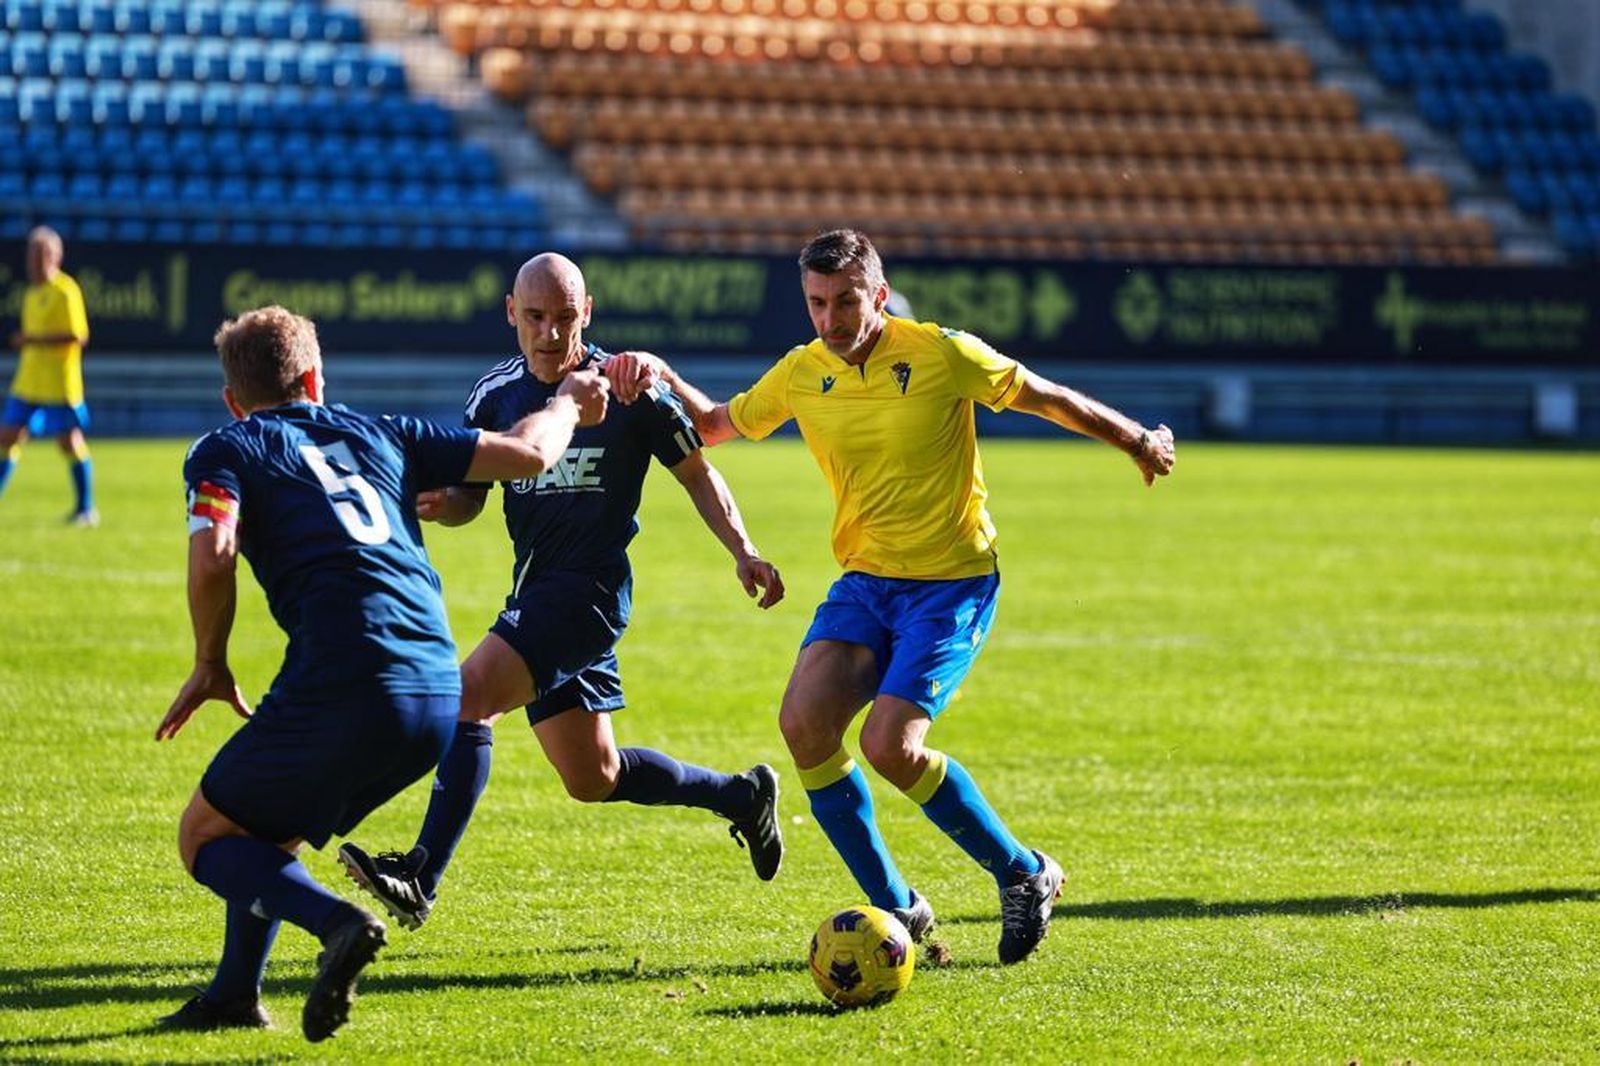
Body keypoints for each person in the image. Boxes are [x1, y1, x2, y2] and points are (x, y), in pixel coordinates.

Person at [605, 229, 1176, 965]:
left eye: (846, 301)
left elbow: (1047, 398)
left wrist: (1136, 441)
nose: (832, 319)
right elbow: (716, 425)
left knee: (888, 744)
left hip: (951, 584)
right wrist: (660, 374)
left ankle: (1023, 873)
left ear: (878, 295)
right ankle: (900, 906)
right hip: (866, 583)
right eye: (817, 304)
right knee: (805, 726)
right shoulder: (803, 372)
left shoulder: (942, 352)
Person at [155, 305, 609, 1041]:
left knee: (205, 837)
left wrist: (210, 661)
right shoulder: (386, 430)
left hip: (345, 681)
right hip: (438, 692)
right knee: (265, 824)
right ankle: (234, 994)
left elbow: (213, 554)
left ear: (234, 400)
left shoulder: (226, 447)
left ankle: (338, 924)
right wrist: (565, 403)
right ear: (315, 377)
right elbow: (528, 455)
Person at [337, 253, 786, 931]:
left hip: (589, 595)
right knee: (594, 777)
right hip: (537, 590)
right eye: (537, 317)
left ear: (588, 312)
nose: (550, 333)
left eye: (565, 317)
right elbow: (471, 500)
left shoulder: (629, 391)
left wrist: (743, 548)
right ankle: (741, 796)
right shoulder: (493, 397)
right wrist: (440, 502)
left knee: (468, 699)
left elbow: (698, 471)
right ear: (511, 313)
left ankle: (420, 875)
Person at [1, 226, 96, 524]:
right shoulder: (31, 294)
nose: (36, 260)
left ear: (57, 256)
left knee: (68, 441)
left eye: (43, 254)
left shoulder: (66, 291)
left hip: (59, 383)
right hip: (28, 381)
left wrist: (32, 340)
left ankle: (86, 508)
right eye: (32, 254)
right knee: (7, 436)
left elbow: (77, 336)